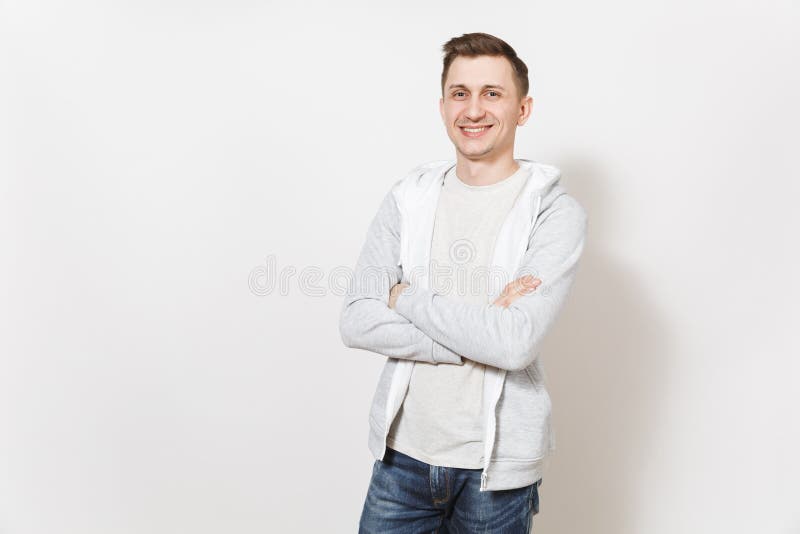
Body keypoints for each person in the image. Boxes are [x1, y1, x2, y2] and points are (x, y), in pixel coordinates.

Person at [339, 32, 588, 533]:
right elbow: (356, 320)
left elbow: (514, 344)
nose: (473, 110)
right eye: (460, 93)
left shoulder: (554, 213)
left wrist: (403, 295)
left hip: (495, 476)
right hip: (401, 460)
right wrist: (477, 336)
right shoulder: (408, 197)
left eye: (492, 93)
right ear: (443, 105)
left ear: (523, 109)